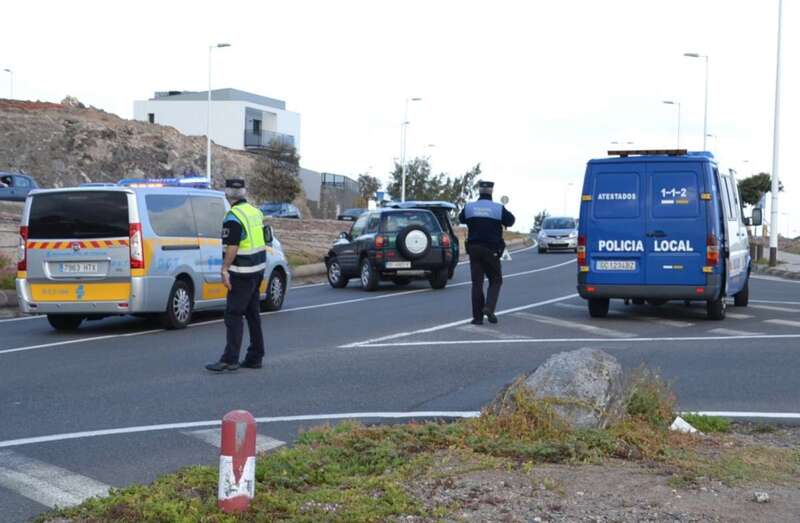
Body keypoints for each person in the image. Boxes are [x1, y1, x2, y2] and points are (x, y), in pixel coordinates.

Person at [206, 179, 267, 372]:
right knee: (252, 314)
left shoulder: (233, 217)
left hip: (242, 272)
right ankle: (255, 356)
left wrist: (224, 269)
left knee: (233, 314)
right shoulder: (255, 212)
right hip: (257, 270)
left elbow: (233, 246)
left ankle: (230, 358)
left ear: (227, 194)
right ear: (243, 193)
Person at [458, 180, 515, 325]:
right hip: (491, 250)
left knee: (477, 283)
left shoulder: (470, 207)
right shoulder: (498, 208)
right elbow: (511, 221)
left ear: (479, 191)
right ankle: (489, 307)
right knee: (496, 280)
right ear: (491, 191)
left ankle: (477, 318)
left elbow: (461, 218)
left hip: (474, 249)